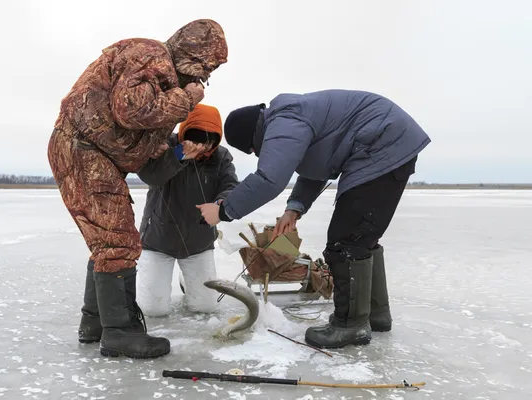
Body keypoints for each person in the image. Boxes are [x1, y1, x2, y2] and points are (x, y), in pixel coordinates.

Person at [47, 19, 228, 359]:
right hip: (83, 149)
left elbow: (145, 153)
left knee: (111, 241)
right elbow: (132, 109)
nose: (204, 77)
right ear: (192, 52)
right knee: (117, 243)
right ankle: (120, 332)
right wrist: (188, 98)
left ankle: (96, 323)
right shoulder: (150, 54)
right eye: (206, 67)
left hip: (99, 156)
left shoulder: (164, 83)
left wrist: (169, 150)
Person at [197, 89, 431, 349]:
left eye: (253, 150)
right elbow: (317, 167)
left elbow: (269, 179)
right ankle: (374, 314)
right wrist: (294, 208)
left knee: (347, 239)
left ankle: (350, 325)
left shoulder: (283, 122)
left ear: (254, 138)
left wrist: (223, 211)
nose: (258, 153)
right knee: (362, 234)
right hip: (386, 140)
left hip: (380, 144)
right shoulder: (293, 118)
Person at [135, 104, 239, 316]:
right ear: (185, 133)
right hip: (158, 239)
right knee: (152, 310)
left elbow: (230, 186)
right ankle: (165, 282)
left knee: (205, 307)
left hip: (198, 242)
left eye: (209, 142)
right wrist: (178, 156)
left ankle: (187, 279)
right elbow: (150, 175)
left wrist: (220, 204)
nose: (203, 147)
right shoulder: (164, 146)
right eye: (198, 140)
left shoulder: (221, 157)